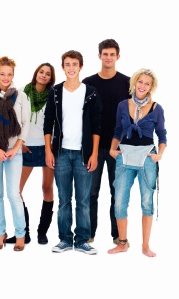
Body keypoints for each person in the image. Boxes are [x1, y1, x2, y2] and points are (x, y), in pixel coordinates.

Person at [44, 50, 102, 255]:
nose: (71, 68)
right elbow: (48, 122)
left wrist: (94, 154)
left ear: (80, 67)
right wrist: (48, 151)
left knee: (84, 200)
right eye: (67, 64)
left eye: (74, 64)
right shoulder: (56, 92)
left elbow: (97, 126)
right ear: (63, 67)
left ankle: (83, 240)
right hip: (60, 152)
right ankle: (65, 239)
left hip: (83, 154)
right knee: (64, 199)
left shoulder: (90, 92)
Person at [107, 68, 166, 257]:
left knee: (147, 202)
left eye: (147, 83)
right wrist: (112, 149)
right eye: (140, 82)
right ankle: (122, 243)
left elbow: (162, 135)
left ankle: (145, 246)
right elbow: (118, 130)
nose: (142, 86)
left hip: (148, 156)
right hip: (125, 155)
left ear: (151, 87)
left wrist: (159, 155)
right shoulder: (123, 105)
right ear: (135, 82)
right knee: (119, 202)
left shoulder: (157, 108)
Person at [82, 39, 130, 245]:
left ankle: (117, 234)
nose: (108, 57)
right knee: (90, 193)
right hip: (93, 147)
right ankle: (89, 232)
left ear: (118, 56)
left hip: (118, 148)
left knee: (116, 192)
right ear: (99, 55)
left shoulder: (127, 83)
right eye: (105, 53)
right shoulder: (88, 82)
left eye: (112, 54)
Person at [0, 56, 30, 252]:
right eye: (2, 74)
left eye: (9, 74)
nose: (6, 77)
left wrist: (14, 148)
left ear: (13, 76)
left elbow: (25, 124)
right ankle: (0, 234)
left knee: (14, 194)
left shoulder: (21, 96)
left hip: (14, 152)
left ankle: (20, 235)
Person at [5, 62, 56, 245]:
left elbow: (56, 122)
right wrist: (19, 142)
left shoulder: (53, 95)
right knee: (16, 191)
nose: (43, 75)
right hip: (26, 147)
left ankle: (42, 232)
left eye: (48, 74)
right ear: (36, 73)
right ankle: (23, 233)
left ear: (51, 78)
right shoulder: (21, 93)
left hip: (47, 147)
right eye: (41, 72)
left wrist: (51, 146)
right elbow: (12, 119)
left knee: (47, 188)